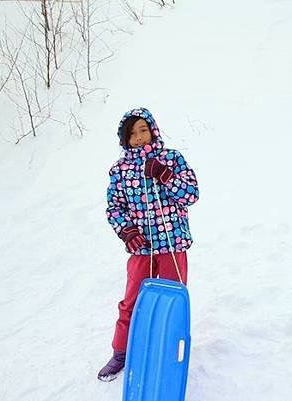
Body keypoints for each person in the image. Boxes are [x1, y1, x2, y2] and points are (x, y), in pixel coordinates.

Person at [98, 107, 199, 382]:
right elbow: (114, 207)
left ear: (153, 130)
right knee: (132, 299)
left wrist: (165, 176)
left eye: (143, 130)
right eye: (133, 133)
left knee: (172, 298)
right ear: (125, 139)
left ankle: (169, 349)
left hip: (172, 242)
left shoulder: (171, 158)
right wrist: (127, 231)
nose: (140, 137)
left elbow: (191, 194)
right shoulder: (120, 170)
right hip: (142, 247)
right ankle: (121, 351)